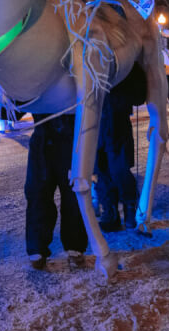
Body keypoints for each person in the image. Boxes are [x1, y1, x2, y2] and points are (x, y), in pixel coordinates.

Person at [25, 113, 87, 269]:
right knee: (38, 194)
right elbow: (20, 101)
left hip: (72, 142)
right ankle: (37, 248)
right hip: (42, 143)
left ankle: (75, 246)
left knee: (73, 195)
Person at [94, 64, 146, 232]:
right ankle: (110, 211)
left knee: (120, 170)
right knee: (101, 171)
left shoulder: (125, 65)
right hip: (95, 126)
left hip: (118, 124)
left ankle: (130, 207)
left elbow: (139, 96)